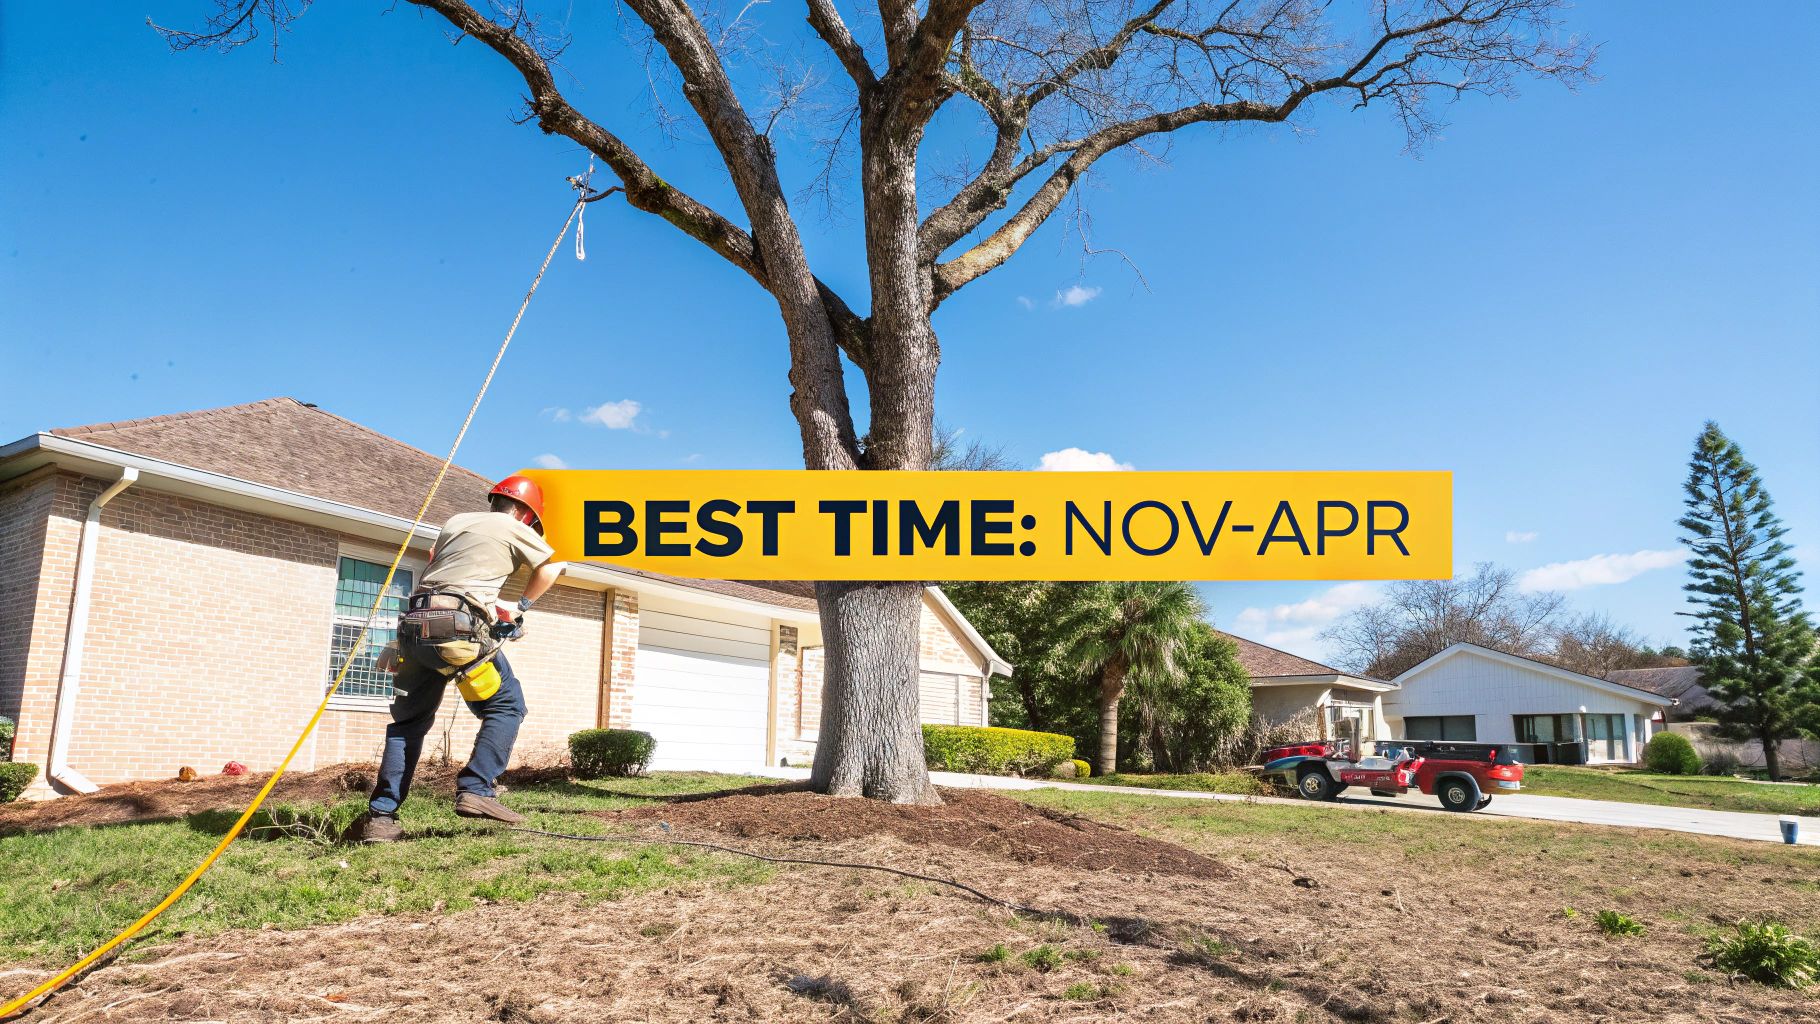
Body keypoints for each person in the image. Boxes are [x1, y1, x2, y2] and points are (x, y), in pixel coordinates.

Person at [356, 475, 564, 843]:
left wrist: (398, 642)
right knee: (506, 707)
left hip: (415, 625)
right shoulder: (512, 526)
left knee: (408, 724)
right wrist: (520, 608)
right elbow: (552, 568)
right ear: (525, 514)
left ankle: (381, 818)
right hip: (457, 631)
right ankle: (477, 789)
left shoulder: (454, 523)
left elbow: (434, 578)